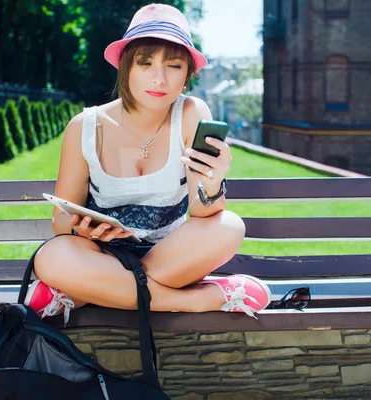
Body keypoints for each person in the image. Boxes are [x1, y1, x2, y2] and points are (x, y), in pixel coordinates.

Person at [24, 3, 272, 325]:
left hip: (170, 257)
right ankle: (199, 300)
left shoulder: (192, 114)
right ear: (126, 66)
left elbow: (204, 214)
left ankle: (85, 292)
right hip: (100, 255)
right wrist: (78, 227)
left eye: (173, 66)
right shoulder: (84, 127)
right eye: (145, 63)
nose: (159, 79)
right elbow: (60, 219)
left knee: (230, 226)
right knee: (52, 258)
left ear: (186, 75)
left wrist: (213, 182)